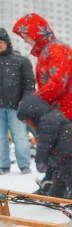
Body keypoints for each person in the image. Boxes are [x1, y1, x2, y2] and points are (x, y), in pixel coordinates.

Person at [12, 13, 72, 121]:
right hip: (62, 112)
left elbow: (57, 82)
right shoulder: (48, 50)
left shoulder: (56, 49)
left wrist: (33, 100)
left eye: (26, 37)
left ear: (35, 34)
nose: (25, 41)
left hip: (68, 112)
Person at [17, 95, 72, 198]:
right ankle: (54, 197)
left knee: (69, 178)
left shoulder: (47, 121)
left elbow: (45, 144)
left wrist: (40, 160)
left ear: (31, 114)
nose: (27, 123)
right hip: (62, 154)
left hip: (65, 154)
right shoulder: (49, 117)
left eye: (26, 119)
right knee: (59, 178)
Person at [0, 28, 35, 174]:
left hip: (17, 106)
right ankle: (3, 165)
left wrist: (24, 101)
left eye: (1, 42)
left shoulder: (21, 61)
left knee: (20, 136)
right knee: (0, 139)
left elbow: (29, 84)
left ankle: (24, 165)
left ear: (7, 42)